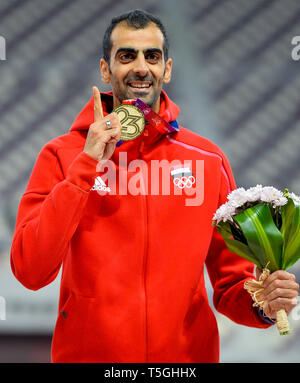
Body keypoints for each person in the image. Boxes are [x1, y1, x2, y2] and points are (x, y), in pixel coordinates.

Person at [10, 9, 299, 363]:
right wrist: (86, 166)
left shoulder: (207, 160)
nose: (141, 67)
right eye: (126, 56)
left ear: (168, 69)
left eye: (153, 56)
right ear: (106, 70)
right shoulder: (62, 155)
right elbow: (30, 271)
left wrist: (263, 303)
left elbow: (230, 285)